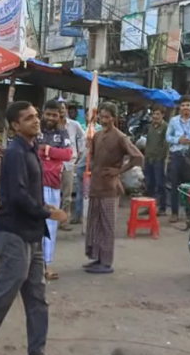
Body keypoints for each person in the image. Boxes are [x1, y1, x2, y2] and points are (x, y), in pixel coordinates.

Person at [0, 101, 66, 355]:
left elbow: (31, 192)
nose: (36, 120)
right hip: (13, 232)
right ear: (15, 125)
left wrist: (45, 208)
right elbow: (18, 195)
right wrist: (46, 213)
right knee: (6, 290)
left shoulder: (31, 150)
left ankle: (37, 351)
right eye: (29, 118)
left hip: (32, 232)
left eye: (36, 115)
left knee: (37, 294)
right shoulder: (14, 153)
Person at [84, 103, 143, 274]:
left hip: (109, 186)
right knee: (95, 223)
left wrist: (119, 171)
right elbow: (93, 157)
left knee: (107, 224)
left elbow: (137, 157)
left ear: (114, 118)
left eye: (107, 117)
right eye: (102, 117)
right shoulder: (97, 135)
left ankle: (106, 262)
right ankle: (97, 257)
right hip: (96, 183)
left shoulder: (120, 137)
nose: (104, 120)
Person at [37, 100, 74, 280]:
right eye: (48, 114)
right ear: (43, 113)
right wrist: (51, 153)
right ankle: (34, 265)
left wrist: (47, 150)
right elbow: (32, 150)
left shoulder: (62, 132)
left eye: (55, 115)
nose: (51, 118)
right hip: (34, 183)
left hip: (52, 184)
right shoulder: (36, 130)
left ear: (59, 116)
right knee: (33, 225)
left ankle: (45, 265)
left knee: (50, 226)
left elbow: (67, 154)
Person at [55, 100, 85, 230]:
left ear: (66, 109)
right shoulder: (51, 125)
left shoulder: (74, 125)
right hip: (53, 163)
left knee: (66, 195)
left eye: (63, 108)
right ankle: (52, 220)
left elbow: (82, 138)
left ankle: (63, 221)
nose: (61, 111)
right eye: (58, 108)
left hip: (68, 162)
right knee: (53, 193)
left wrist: (79, 152)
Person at [143, 109, 169, 214]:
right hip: (149, 159)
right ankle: (149, 207)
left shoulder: (165, 127)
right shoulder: (150, 127)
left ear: (162, 115)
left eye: (157, 114)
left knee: (160, 184)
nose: (155, 116)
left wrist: (161, 158)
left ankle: (162, 208)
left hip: (159, 160)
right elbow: (148, 142)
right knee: (149, 184)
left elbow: (165, 145)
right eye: (154, 113)